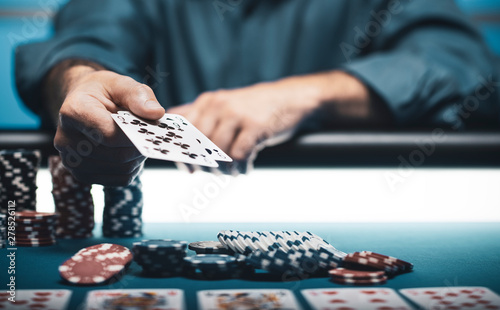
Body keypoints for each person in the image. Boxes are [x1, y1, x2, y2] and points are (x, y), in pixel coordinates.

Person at [15, 0, 500, 185]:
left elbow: (459, 63)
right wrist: (79, 81)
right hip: (164, 198)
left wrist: (305, 95)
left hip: (347, 197)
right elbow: (81, 44)